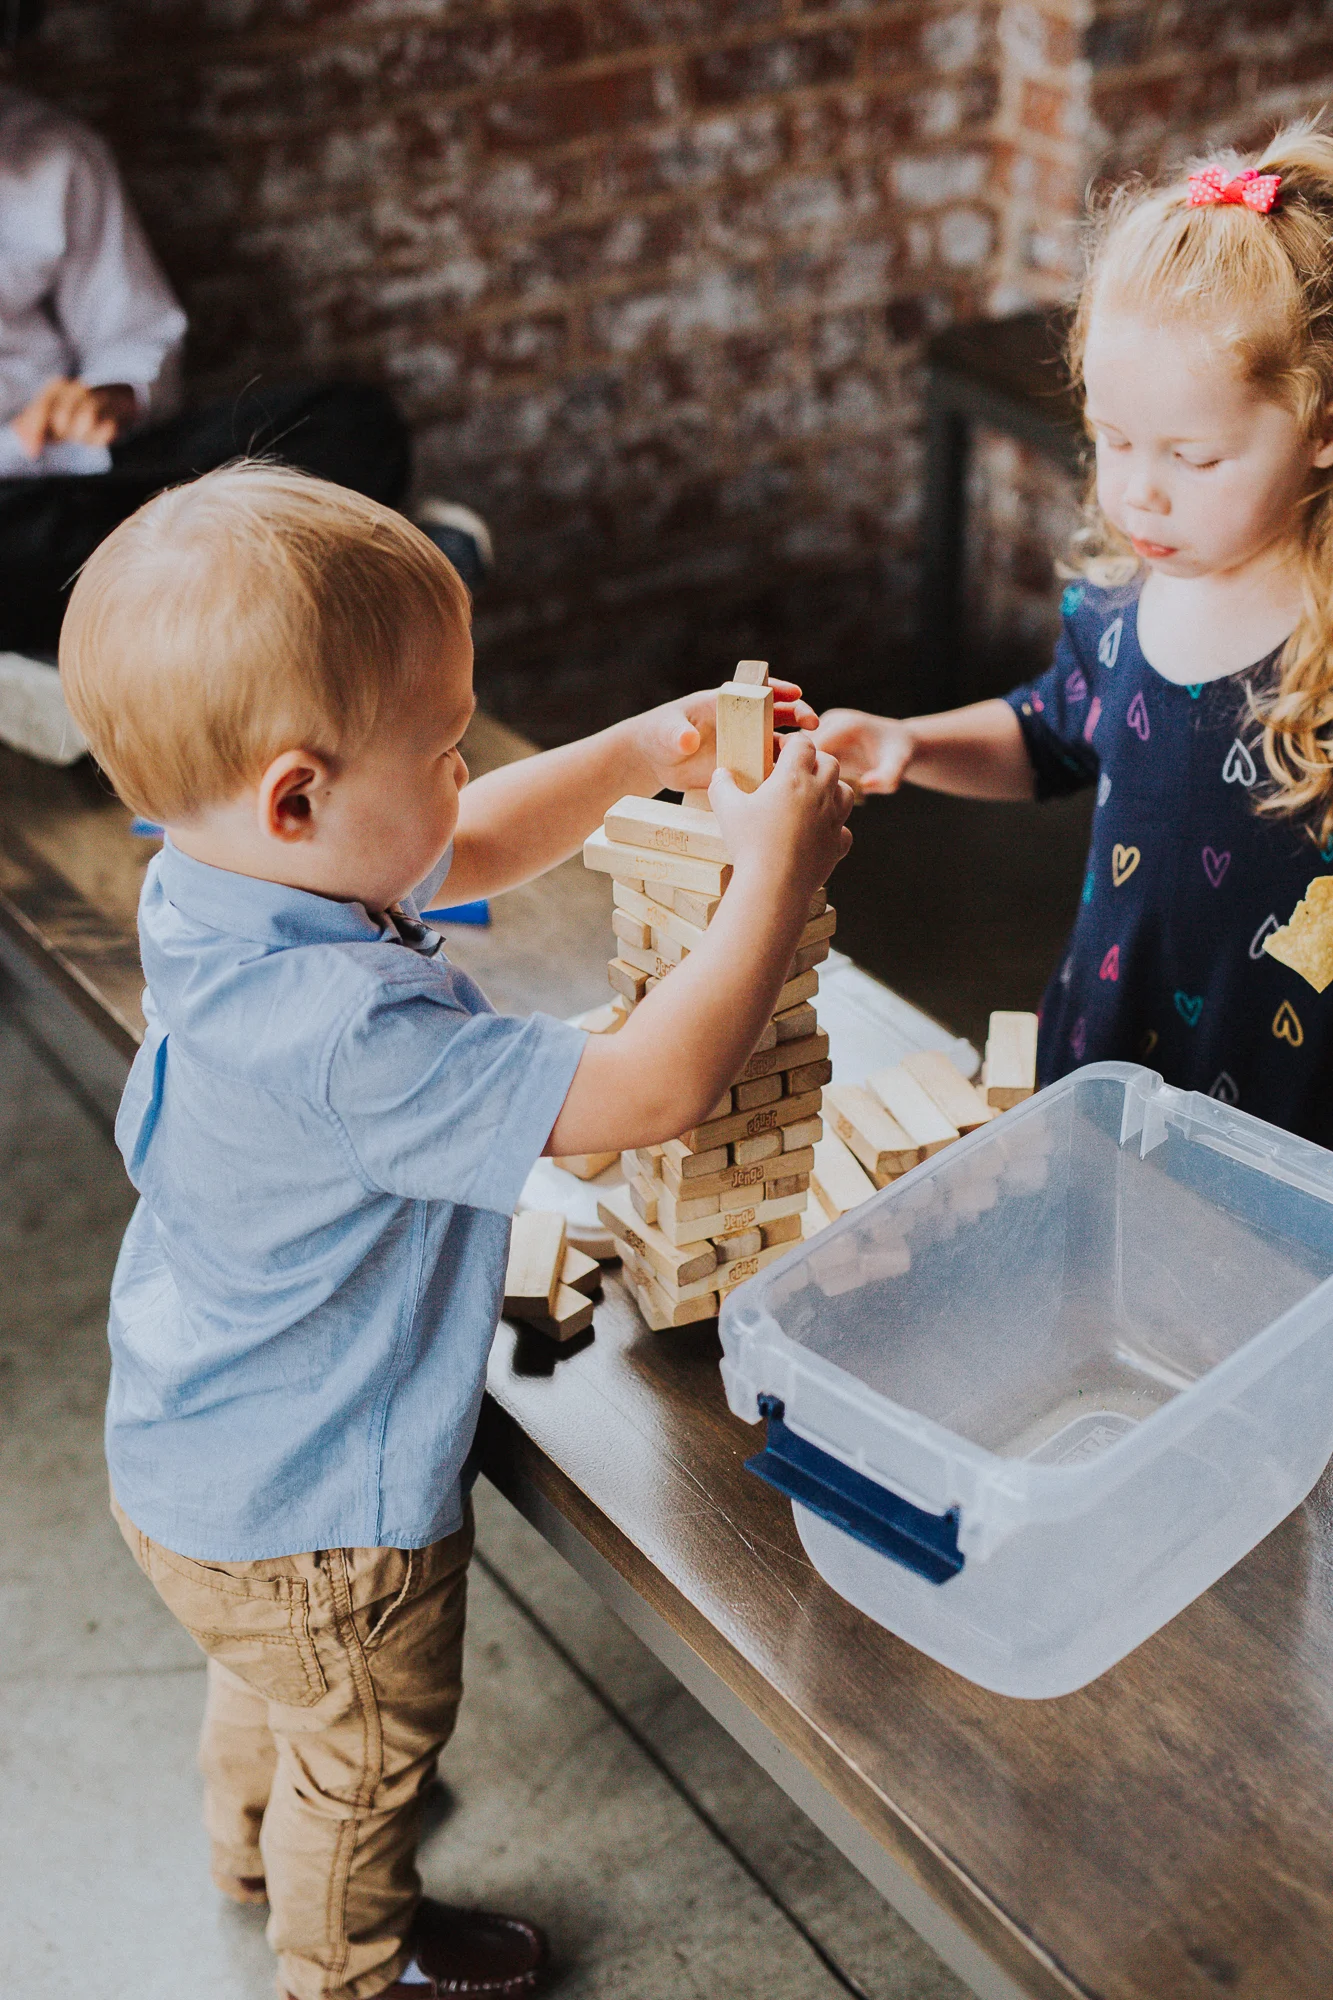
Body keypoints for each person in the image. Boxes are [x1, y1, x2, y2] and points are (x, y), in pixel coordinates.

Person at [58, 461, 851, 2000]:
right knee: (369, 1749)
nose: (461, 772)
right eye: (443, 749)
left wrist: (637, 752)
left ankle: (249, 1840)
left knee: (272, 1687)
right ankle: (347, 1963)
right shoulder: (351, 1036)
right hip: (327, 1518)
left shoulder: (214, 876)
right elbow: (656, 1086)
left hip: (197, 1453)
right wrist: (775, 868)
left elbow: (454, 847)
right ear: (299, 794)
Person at [815, 125, 1333, 1147]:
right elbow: (1047, 734)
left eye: (1192, 456)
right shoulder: (1117, 608)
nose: (1137, 489)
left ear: (1321, 427)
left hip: (1288, 1099)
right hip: (1115, 1043)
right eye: (1111, 438)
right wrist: (911, 743)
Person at [0, 51, 488, 663]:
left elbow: (133, 334)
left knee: (352, 426)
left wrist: (109, 397)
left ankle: (178, 599)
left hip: (96, 479)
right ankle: (343, 579)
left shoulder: (56, 155)